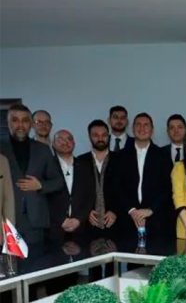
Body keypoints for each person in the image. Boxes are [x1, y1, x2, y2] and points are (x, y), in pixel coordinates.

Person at [1, 104, 63, 245]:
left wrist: (40, 185)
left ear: (31, 124)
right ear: (8, 122)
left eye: (25, 120)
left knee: (37, 258)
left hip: (36, 222)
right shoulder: (1, 148)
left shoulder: (43, 149)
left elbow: (58, 182)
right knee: (9, 260)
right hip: (6, 221)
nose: (20, 125)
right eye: (15, 120)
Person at [115, 112, 174, 239]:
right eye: (138, 125)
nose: (142, 128)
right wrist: (132, 210)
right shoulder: (120, 156)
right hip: (127, 221)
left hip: (156, 221)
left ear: (152, 130)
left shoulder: (163, 156)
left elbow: (168, 188)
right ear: (132, 129)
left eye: (146, 125)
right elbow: (116, 187)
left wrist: (150, 210)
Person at [49, 130, 92, 240]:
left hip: (81, 227)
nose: (65, 142)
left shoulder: (85, 166)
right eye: (60, 139)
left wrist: (78, 219)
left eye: (69, 139)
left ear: (74, 143)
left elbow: (91, 196)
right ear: (53, 144)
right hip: (54, 228)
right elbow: (43, 197)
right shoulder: (47, 166)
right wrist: (61, 220)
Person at [77, 119, 118, 232]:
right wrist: (86, 211)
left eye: (104, 135)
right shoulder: (80, 161)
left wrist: (116, 211)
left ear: (109, 136)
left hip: (117, 223)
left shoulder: (120, 159)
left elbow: (127, 190)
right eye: (96, 135)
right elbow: (77, 192)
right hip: (87, 224)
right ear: (89, 137)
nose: (100, 139)